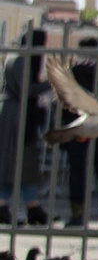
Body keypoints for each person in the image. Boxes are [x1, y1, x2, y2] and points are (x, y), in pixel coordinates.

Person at [63, 34, 98, 229]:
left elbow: (64, 100)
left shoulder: (75, 70)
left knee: (77, 169)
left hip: (78, 126)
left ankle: (77, 214)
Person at [0, 27, 50, 227]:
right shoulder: (22, 59)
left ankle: (31, 206)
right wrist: (51, 83)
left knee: (16, 163)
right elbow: (27, 89)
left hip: (13, 114)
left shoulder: (15, 57)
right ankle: (29, 206)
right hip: (17, 117)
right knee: (18, 161)